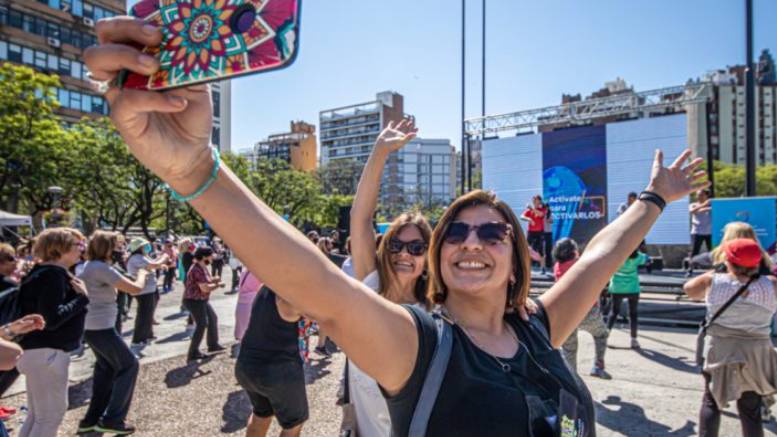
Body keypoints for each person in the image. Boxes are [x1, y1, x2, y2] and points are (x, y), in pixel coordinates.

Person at [83, 25, 705, 434]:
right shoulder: (418, 345)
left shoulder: (540, 328)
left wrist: (654, 198)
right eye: (456, 232)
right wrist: (196, 170)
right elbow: (316, 280)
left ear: (516, 260)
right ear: (437, 259)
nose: (470, 241)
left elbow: (600, 255)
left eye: (493, 234)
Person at [346, 119, 433, 437]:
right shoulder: (371, 284)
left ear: (428, 257)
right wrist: (379, 152)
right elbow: (361, 216)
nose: (404, 254)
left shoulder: (438, 311)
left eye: (416, 247)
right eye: (396, 244)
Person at [684, 238, 777, 437]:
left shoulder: (713, 281)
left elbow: (689, 289)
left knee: (712, 401)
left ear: (728, 260)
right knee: (751, 409)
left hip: (720, 351)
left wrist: (717, 270)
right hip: (756, 353)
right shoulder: (771, 285)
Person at [77, 231, 152, 435]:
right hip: (101, 328)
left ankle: (91, 419)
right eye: (118, 246)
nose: (122, 250)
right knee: (129, 365)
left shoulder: (92, 266)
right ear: (107, 248)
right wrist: (143, 273)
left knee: (106, 370)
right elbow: (135, 289)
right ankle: (113, 418)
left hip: (94, 327)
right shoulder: (100, 268)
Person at [17, 228, 89, 437]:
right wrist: (82, 298)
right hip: (48, 352)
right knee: (50, 417)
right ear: (61, 247)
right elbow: (50, 320)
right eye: (78, 245)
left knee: (37, 416)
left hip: (34, 351)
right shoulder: (53, 275)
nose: (81, 250)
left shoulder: (39, 273)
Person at [235, 285, 306, 437]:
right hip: (279, 371)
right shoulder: (289, 294)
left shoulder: (266, 286)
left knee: (261, 415)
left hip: (247, 364)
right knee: (293, 425)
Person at [555, 238, 610, 379]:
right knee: (601, 334)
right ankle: (598, 366)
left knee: (569, 349)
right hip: (587, 311)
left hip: (565, 313)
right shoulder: (582, 264)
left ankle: (573, 381)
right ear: (574, 251)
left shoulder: (557, 266)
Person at [183, 246, 225, 361]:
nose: (213, 257)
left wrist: (214, 280)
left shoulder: (202, 267)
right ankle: (193, 352)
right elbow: (205, 288)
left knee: (213, 318)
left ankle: (213, 345)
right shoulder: (196, 269)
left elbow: (207, 281)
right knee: (202, 324)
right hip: (194, 300)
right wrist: (218, 285)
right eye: (211, 255)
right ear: (204, 256)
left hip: (201, 300)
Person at [126, 238, 168, 347]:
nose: (147, 247)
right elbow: (152, 265)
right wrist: (164, 258)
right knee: (143, 315)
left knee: (149, 313)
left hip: (150, 288)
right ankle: (137, 339)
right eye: (144, 246)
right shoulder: (136, 257)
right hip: (143, 290)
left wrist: (160, 264)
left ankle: (148, 334)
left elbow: (152, 264)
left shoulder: (143, 256)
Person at [606, 247, 649, 349]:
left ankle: (604, 338)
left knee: (613, 312)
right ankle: (633, 340)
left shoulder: (616, 256)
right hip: (633, 288)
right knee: (633, 314)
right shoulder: (638, 256)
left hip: (617, 288)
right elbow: (647, 258)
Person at [521, 195, 549, 275]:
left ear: (539, 201)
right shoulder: (530, 211)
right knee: (527, 250)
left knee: (541, 250)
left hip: (539, 232)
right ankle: (526, 268)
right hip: (531, 232)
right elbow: (522, 216)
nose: (534, 202)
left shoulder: (543, 209)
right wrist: (528, 219)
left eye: (536, 200)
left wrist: (531, 208)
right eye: (533, 201)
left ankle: (543, 268)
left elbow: (540, 215)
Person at [687, 189, 713, 276]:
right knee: (694, 251)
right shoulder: (693, 204)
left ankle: (715, 269)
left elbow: (715, 209)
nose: (699, 196)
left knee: (712, 251)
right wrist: (704, 205)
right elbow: (692, 211)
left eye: (701, 195)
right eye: (698, 195)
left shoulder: (711, 205)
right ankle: (690, 269)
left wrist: (706, 208)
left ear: (706, 196)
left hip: (709, 232)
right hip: (697, 231)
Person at [235, 269, 262, 343]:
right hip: (252, 302)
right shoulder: (259, 272)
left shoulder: (245, 271)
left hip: (242, 302)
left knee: (244, 332)